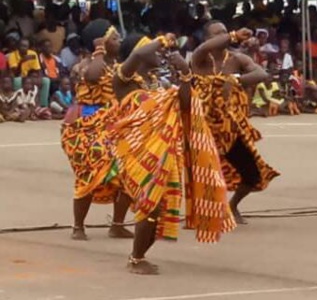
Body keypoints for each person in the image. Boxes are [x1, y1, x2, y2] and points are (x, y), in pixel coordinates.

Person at [108, 32, 235, 274]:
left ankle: (139, 256)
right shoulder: (122, 80)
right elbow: (138, 53)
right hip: (135, 152)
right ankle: (135, 258)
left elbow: (186, 104)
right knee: (150, 203)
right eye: (154, 51)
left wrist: (186, 74)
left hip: (164, 152)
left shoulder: (159, 85)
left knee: (162, 207)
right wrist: (164, 39)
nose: (159, 54)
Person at [191, 21, 280, 224]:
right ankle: (202, 212)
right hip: (204, 127)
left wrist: (235, 80)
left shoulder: (237, 59)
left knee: (252, 174)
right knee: (203, 173)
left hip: (230, 129)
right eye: (218, 34)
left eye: (224, 31)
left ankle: (232, 206)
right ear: (207, 39)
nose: (224, 36)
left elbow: (261, 73)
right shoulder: (201, 59)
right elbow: (204, 48)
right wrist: (232, 35)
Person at [60, 19, 133, 241]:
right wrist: (99, 51)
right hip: (85, 127)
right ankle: (78, 226)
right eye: (114, 38)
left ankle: (117, 225)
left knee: (129, 170)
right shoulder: (84, 64)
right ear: (100, 42)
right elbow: (92, 76)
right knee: (91, 173)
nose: (119, 41)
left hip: (111, 124)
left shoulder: (117, 67)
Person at [7, 38, 51, 107]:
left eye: (25, 46)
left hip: (30, 77)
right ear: (18, 46)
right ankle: (19, 105)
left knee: (46, 81)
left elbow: (38, 70)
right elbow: (15, 73)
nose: (23, 48)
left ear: (28, 47)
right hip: (19, 77)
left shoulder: (33, 54)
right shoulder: (12, 55)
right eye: (22, 46)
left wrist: (39, 78)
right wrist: (21, 61)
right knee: (17, 81)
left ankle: (43, 105)